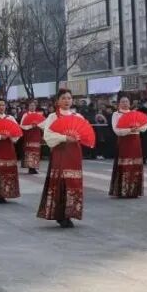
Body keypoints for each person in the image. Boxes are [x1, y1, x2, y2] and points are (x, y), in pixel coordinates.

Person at [37, 89, 84, 228]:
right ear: (57, 101)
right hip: (60, 152)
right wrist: (64, 137)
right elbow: (48, 136)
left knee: (73, 181)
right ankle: (60, 214)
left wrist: (76, 137)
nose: (67, 101)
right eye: (63, 98)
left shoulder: (78, 116)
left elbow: (84, 133)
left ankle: (71, 212)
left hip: (74, 152)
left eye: (69, 98)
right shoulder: (53, 117)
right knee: (62, 181)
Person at [109, 95, 146, 199]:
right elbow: (117, 130)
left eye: (127, 102)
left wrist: (137, 128)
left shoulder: (135, 114)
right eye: (123, 101)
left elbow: (144, 126)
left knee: (135, 165)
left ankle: (134, 190)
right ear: (119, 103)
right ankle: (123, 190)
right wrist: (129, 130)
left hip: (135, 142)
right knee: (124, 165)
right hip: (124, 141)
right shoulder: (116, 114)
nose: (125, 103)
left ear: (130, 103)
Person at [19, 100, 44, 174]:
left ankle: (34, 167)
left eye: (34, 105)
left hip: (36, 134)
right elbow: (22, 125)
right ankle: (30, 167)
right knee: (29, 151)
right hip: (29, 135)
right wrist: (30, 126)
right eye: (31, 105)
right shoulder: (25, 115)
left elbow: (43, 124)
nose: (32, 107)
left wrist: (37, 125)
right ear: (28, 106)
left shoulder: (39, 115)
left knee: (36, 151)